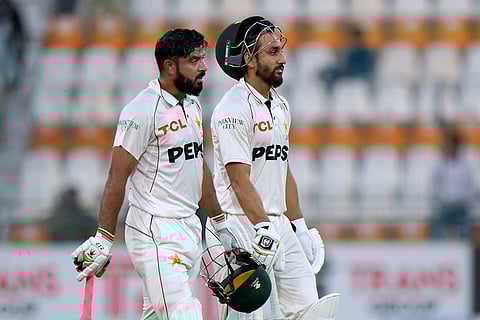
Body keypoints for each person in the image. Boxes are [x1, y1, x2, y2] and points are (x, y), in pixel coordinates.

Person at [71, 29, 247, 320]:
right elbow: (117, 177)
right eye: (194, 60)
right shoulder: (140, 111)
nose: (204, 67)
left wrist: (221, 223)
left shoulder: (192, 104)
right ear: (170, 66)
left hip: (188, 228)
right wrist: (103, 237)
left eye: (203, 59)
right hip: (154, 230)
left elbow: (197, 165)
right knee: (183, 312)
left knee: (157, 314)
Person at [206, 16, 337, 319]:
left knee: (310, 309)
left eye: (281, 50)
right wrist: (262, 227)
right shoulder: (232, 109)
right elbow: (239, 180)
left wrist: (299, 226)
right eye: (273, 52)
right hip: (239, 227)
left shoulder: (280, 105)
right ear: (250, 59)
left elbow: (283, 169)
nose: (283, 59)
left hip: (276, 226)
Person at [430, 125, 477, 240]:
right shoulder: (439, 163)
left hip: (462, 206)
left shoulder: (466, 163)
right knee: (437, 234)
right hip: (444, 206)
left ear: (456, 145)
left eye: (451, 144)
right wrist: (438, 200)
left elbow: (472, 184)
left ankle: (466, 255)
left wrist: (467, 200)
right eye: (446, 144)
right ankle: (437, 255)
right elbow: (433, 184)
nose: (448, 147)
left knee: (466, 236)